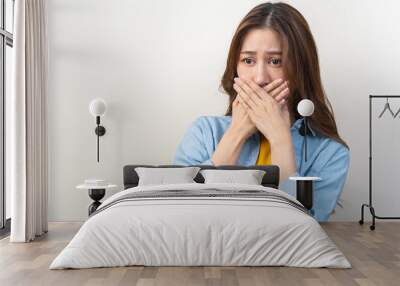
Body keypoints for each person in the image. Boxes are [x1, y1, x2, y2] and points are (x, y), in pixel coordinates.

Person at [172, 2, 350, 222]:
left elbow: (304, 226)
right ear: (235, 67)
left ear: (301, 67)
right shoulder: (204, 132)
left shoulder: (330, 152)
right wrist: (236, 133)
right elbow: (180, 211)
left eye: (275, 61)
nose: (259, 78)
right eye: (248, 60)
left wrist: (280, 138)